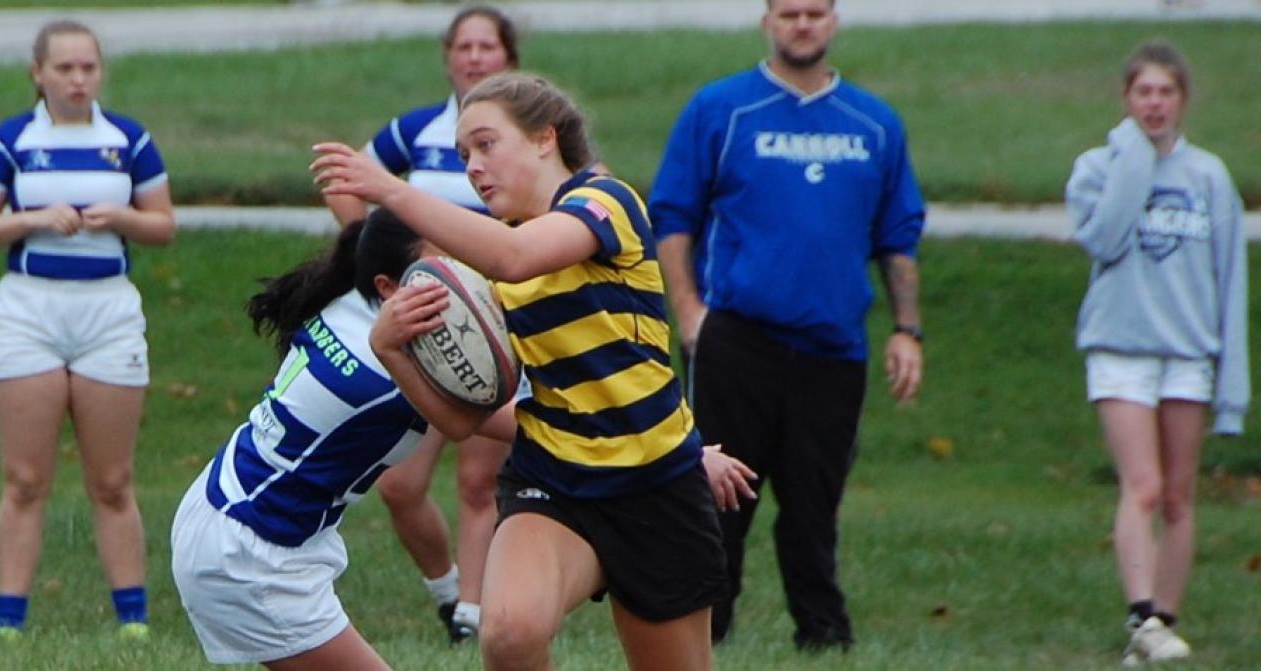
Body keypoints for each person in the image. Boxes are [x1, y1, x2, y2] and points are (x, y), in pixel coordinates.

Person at [313, 72, 757, 671]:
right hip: (554, 481)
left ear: (546, 138)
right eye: (463, 155)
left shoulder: (605, 203)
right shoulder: (494, 269)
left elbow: (517, 258)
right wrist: (392, 352)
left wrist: (389, 190)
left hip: (655, 487)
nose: (473, 166)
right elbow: (466, 421)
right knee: (509, 635)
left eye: (485, 144)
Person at [648, 0, 926, 650]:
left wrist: (906, 329)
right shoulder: (721, 109)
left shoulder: (874, 124)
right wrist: (688, 313)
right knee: (718, 500)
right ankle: (702, 635)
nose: (803, 24)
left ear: (834, 21)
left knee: (813, 505)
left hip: (834, 349)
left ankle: (823, 636)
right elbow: (674, 218)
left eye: (815, 12)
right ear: (767, 21)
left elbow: (897, 237)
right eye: (790, 12)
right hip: (738, 341)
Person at [171, 210, 466, 670]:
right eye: (439, 268)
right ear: (389, 287)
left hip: (228, 507)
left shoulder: (349, 302)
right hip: (251, 552)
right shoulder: (389, 374)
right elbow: (490, 422)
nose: (457, 279)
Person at [0, 19, 175, 640]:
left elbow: (163, 225)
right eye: (64, 69)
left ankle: (133, 622)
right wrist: (32, 220)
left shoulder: (129, 139)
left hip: (108, 312)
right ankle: (9, 624)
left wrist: (122, 218)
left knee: (112, 480)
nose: (78, 80)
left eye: (88, 68)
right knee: (26, 480)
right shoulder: (11, 140)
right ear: (38, 73)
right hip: (30, 311)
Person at [325, 4, 520, 643]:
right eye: (464, 47)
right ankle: (446, 591)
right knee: (400, 485)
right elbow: (343, 182)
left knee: (478, 480)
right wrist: (371, 251)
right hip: (428, 327)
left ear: (509, 58)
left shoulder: (524, 135)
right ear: (447, 57)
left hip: (497, 325)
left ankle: (471, 616)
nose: (475, 58)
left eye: (487, 47)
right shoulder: (418, 130)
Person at [1067, 41, 1248, 666]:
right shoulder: (1097, 167)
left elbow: (1230, 281)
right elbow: (1104, 239)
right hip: (1121, 350)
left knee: (1176, 495)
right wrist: (1135, 160)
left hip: (1188, 353)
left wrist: (1232, 385)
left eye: (1165, 92)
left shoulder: (1210, 177)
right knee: (1140, 486)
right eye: (1143, 92)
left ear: (1183, 100)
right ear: (1126, 99)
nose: (1154, 104)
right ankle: (1140, 613)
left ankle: (1162, 623)